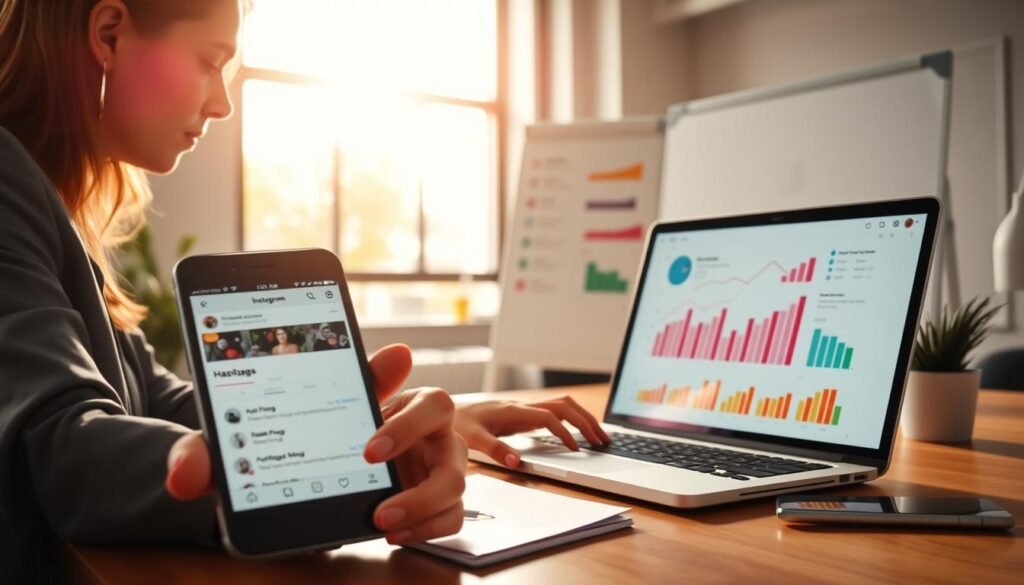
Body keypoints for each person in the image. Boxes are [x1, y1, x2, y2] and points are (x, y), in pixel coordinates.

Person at [0, 1, 608, 583]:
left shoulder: (54, 211)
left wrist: (372, 430)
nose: (221, 105)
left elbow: (162, 400)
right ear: (108, 34)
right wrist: (326, 467)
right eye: (212, 62)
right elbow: (61, 449)